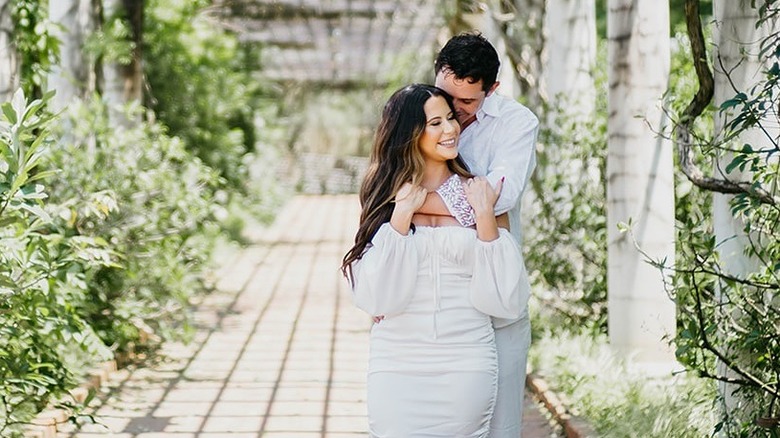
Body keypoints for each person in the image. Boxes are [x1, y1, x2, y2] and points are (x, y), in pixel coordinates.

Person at [341, 84, 530, 437]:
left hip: (465, 359)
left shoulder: (479, 191)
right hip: (396, 360)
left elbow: (507, 297)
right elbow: (375, 296)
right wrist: (400, 216)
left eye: (450, 119)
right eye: (435, 123)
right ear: (410, 133)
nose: (450, 129)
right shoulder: (385, 195)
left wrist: (484, 215)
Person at [420, 32, 540, 438]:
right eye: (446, 97)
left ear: (493, 90)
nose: (451, 113)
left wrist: (413, 201)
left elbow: (499, 198)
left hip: (495, 287)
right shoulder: (415, 110)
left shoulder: (517, 123)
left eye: (466, 103)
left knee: (501, 422)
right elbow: (382, 185)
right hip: (435, 296)